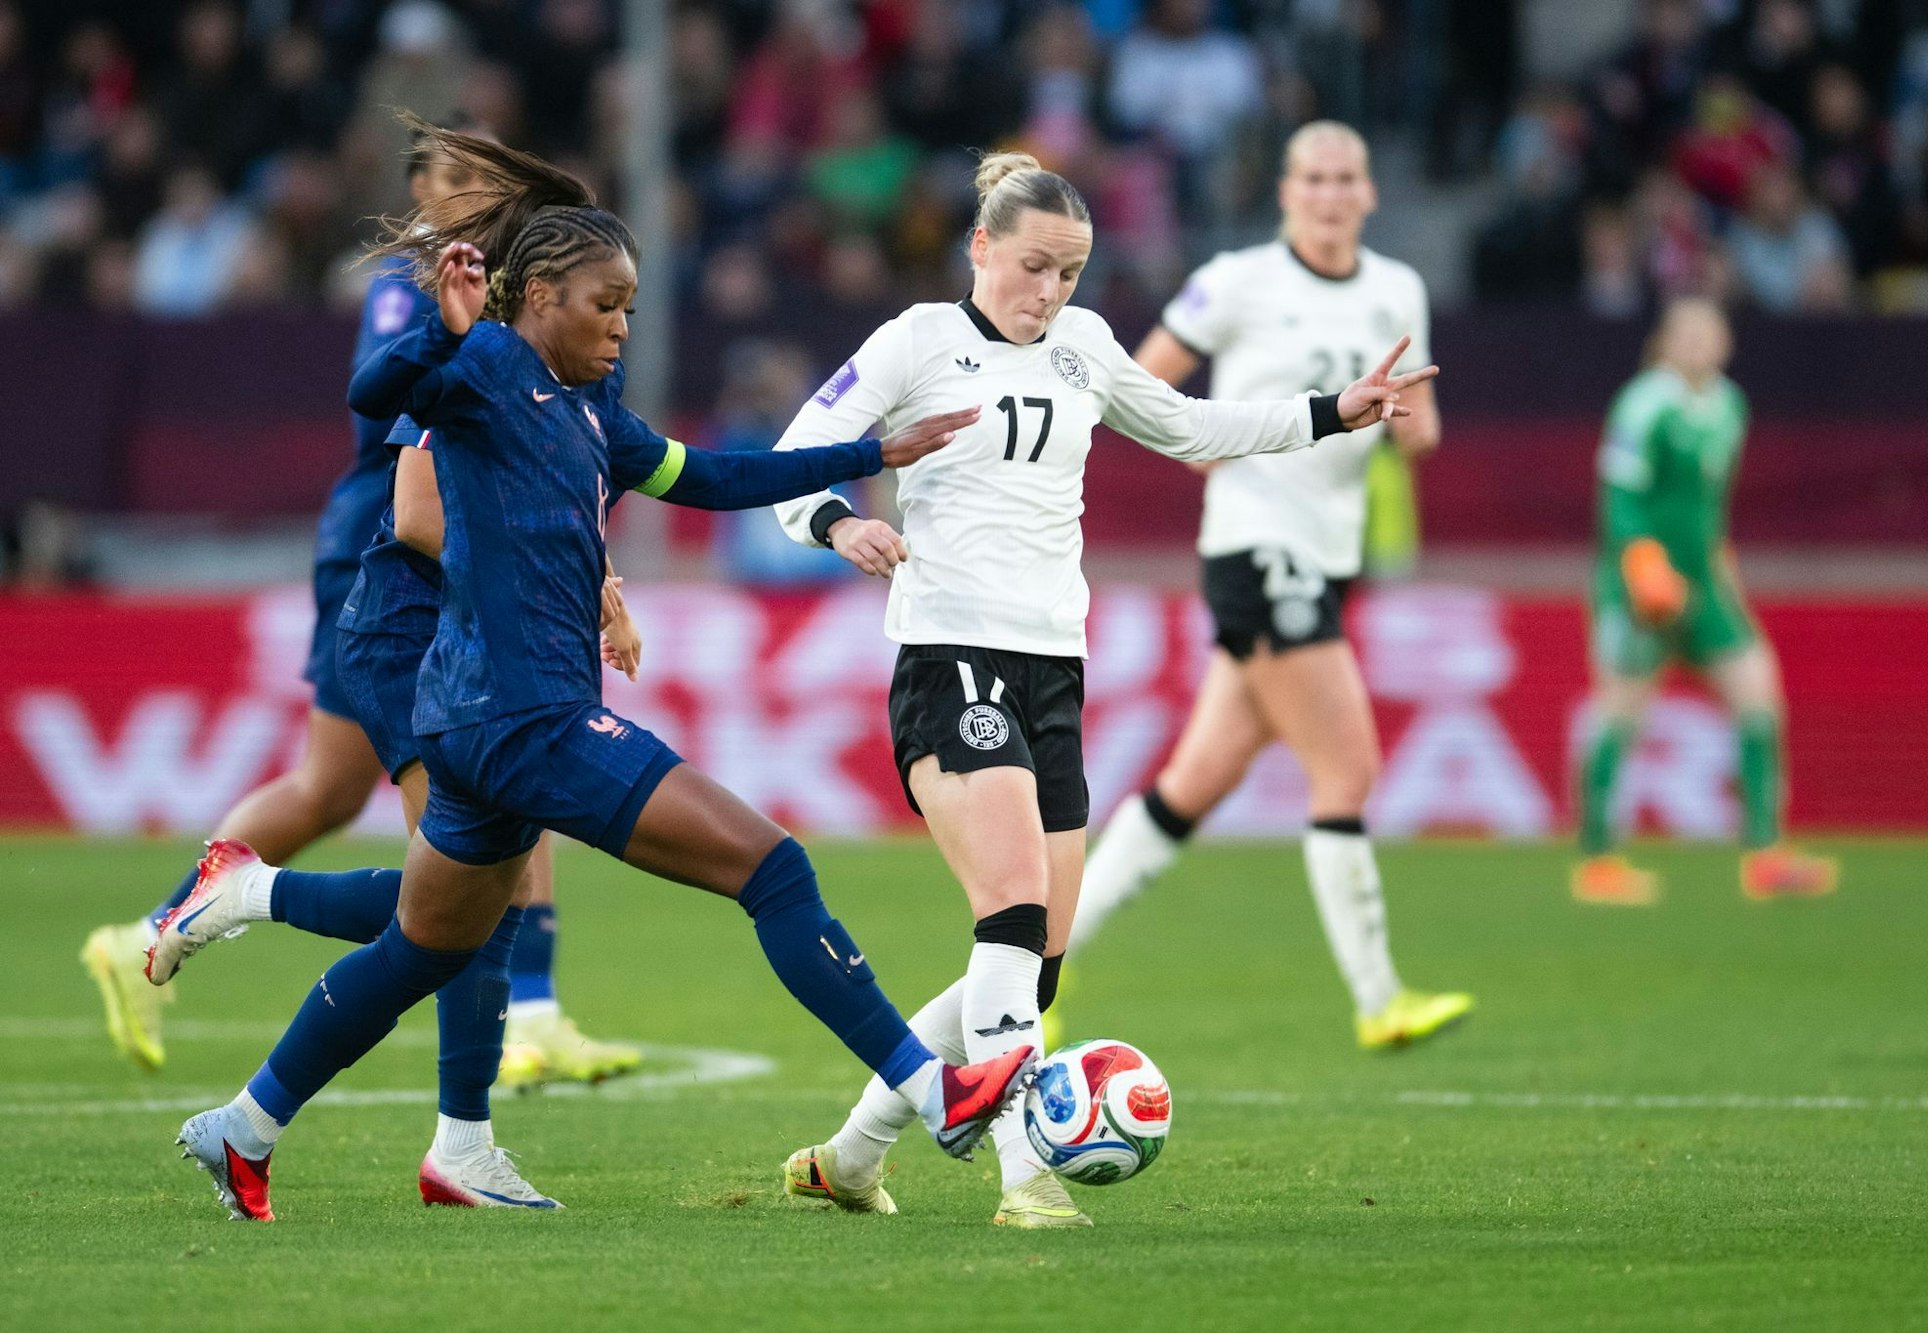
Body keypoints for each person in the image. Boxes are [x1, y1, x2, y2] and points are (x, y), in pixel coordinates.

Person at [162, 121, 1032, 1223]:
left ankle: (242, 1122)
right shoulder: (478, 370)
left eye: (628, 304)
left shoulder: (592, 414)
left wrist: (872, 454)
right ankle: (937, 1092)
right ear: (535, 299)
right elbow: (374, 396)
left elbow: (711, 474)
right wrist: (441, 329)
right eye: (605, 304)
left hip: (474, 724)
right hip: (525, 718)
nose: (623, 325)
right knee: (771, 871)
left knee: (427, 943)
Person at [769, 146, 1435, 1228]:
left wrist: (1331, 410)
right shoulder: (916, 341)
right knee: (1011, 914)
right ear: (978, 247)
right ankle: (1024, 1180)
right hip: (950, 657)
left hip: (1052, 669)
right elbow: (796, 453)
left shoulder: (1082, 347)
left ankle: (850, 1156)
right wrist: (840, 519)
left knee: (1030, 963)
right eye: (1032, 266)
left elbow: (1187, 427)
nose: (1049, 293)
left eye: (1070, 272)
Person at [79, 126, 636, 1087]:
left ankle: (150, 931)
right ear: (421, 188)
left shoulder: (532, 325)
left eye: (485, 183)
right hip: (394, 563)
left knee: (332, 790)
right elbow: (401, 429)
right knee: (475, 843)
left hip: (429, 561)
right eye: (453, 179)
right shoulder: (418, 294)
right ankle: (513, 1028)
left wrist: (596, 571)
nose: (471, 196)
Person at [1063, 122, 1473, 1056]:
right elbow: (1138, 383)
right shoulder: (1239, 280)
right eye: (1314, 178)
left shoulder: (1397, 288)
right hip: (1257, 544)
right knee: (1349, 769)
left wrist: (1413, 430)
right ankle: (1379, 999)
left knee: (1193, 783)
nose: (1331, 195)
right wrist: (1215, 454)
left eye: (1347, 179)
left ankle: (1049, 956)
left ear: (1369, 194)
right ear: (1287, 191)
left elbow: (1420, 427)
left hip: (1330, 552)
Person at [1572, 297, 1838, 905]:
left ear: (1726, 342)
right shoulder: (1644, 404)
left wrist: (1722, 569)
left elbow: (1709, 507)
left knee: (1758, 693)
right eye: (1685, 333)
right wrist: (1641, 565)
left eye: (1708, 332)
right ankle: (1597, 861)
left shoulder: (1729, 406)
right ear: (1665, 342)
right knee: (1620, 713)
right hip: (1643, 586)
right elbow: (1620, 497)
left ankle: (1765, 854)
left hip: (1705, 583)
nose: (1697, 343)